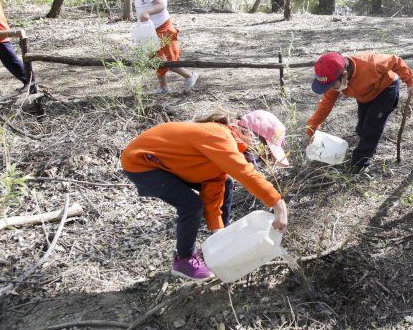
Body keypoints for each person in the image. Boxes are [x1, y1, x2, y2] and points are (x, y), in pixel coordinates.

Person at [121, 109, 290, 280]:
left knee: (226, 183)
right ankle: (184, 261)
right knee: (191, 204)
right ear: (249, 133)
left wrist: (218, 236)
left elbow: (213, 189)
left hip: (171, 163)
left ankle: (221, 241)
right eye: (263, 150)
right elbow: (244, 173)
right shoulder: (219, 136)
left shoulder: (222, 150)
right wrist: (278, 204)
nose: (261, 157)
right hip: (141, 163)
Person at [306, 51, 413, 173]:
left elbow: (396, 61)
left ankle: (359, 165)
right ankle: (367, 146)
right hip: (364, 95)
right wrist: (312, 127)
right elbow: (325, 105)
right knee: (361, 129)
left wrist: (410, 82)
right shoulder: (334, 80)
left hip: (385, 89)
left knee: (371, 129)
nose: (331, 89)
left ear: (344, 74)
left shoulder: (370, 63)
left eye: (333, 85)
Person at [124, 0, 197, 94]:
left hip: (163, 27)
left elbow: (161, 5)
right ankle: (163, 87)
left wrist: (147, 13)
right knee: (156, 59)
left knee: (169, 60)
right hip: (151, 30)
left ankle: (190, 76)